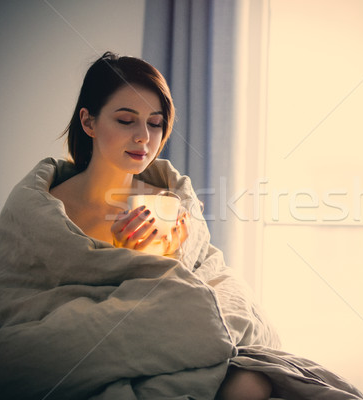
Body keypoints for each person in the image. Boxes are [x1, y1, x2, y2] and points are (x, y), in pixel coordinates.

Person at [50, 52, 272, 399]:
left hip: (167, 339)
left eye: (154, 123)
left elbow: (202, 280)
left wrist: (170, 252)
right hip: (102, 342)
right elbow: (29, 296)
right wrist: (117, 266)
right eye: (126, 120)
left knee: (252, 382)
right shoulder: (48, 209)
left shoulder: (167, 204)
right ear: (88, 122)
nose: (144, 137)